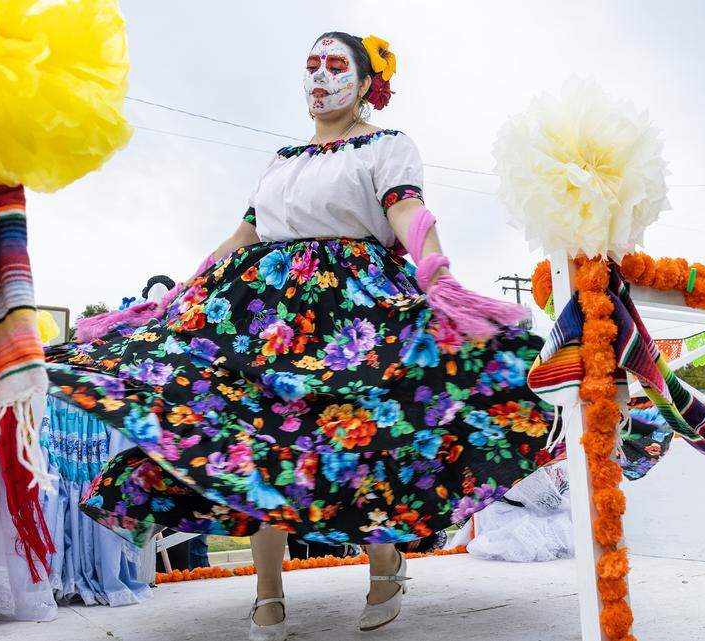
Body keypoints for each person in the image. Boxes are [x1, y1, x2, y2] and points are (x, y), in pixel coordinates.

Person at [45, 30, 552, 641]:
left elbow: (407, 212)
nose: (319, 76)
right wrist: (178, 296)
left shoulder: (385, 146)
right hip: (259, 316)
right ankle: (267, 596)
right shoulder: (283, 161)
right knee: (256, 441)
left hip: (353, 311)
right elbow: (244, 236)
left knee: (357, 439)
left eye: (336, 65)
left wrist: (439, 276)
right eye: (311, 65)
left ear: (367, 83)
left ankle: (384, 560)